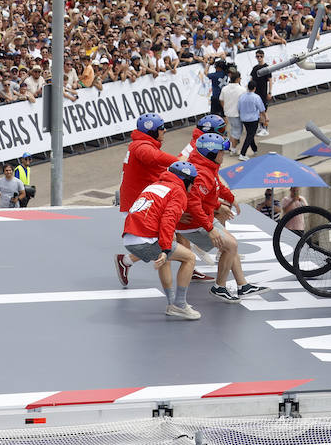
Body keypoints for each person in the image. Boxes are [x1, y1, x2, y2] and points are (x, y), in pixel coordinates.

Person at [177, 132, 269, 301]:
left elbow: (216, 188)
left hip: (203, 217)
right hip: (194, 222)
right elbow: (194, 205)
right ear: (211, 154)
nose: (224, 154)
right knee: (231, 245)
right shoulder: (202, 174)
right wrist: (211, 228)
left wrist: (230, 199)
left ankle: (243, 286)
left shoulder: (209, 167)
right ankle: (220, 287)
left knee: (231, 245)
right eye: (221, 151)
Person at [121, 160, 202, 320]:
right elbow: (168, 221)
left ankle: (173, 303)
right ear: (186, 180)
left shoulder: (155, 185)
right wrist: (165, 249)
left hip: (130, 238)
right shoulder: (178, 191)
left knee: (166, 259)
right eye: (191, 183)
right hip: (145, 239)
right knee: (190, 258)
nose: (192, 188)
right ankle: (179, 305)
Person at [115, 113, 178, 287]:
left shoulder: (141, 144)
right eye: (161, 128)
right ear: (152, 131)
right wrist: (180, 163)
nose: (164, 131)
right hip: (141, 203)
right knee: (165, 242)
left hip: (142, 200)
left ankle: (127, 261)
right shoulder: (142, 147)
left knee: (169, 236)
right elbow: (155, 158)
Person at [237, 80, 267, 158]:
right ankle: (242, 153)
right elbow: (261, 109)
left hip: (244, 118)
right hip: (253, 119)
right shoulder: (256, 97)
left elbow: (238, 107)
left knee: (250, 134)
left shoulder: (242, 96)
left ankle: (255, 149)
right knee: (250, 135)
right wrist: (265, 117)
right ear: (254, 88)